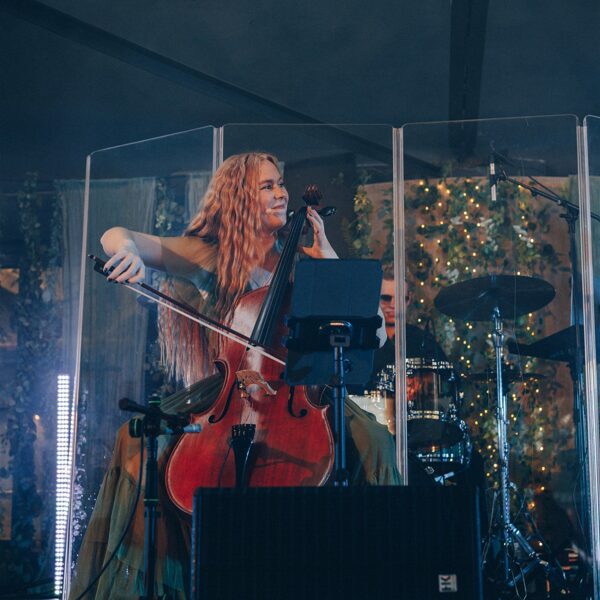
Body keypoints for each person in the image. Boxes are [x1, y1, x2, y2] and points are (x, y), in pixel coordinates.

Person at [69, 152, 400, 600]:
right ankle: (170, 576)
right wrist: (126, 252)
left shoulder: (304, 262)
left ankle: (372, 573)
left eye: (280, 183)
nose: (281, 193)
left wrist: (329, 259)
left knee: (374, 441)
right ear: (240, 198)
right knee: (137, 439)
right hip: (228, 393)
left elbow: (375, 333)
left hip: (297, 392)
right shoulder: (211, 255)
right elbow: (117, 235)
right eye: (267, 186)